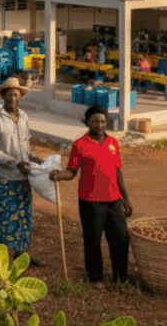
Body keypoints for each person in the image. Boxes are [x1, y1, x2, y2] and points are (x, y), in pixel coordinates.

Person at [50, 105, 133, 288]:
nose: (100, 125)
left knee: (121, 238)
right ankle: (95, 276)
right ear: (87, 122)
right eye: (95, 121)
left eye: (103, 121)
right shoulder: (79, 145)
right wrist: (58, 175)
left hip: (114, 199)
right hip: (91, 201)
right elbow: (71, 172)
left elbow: (118, 171)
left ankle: (120, 276)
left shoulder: (113, 143)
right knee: (93, 239)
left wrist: (126, 198)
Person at [0, 77, 45, 266]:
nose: (12, 97)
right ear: (3, 96)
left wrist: (36, 158)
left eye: (16, 94)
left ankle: (22, 253)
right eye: (9, 94)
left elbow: (25, 145)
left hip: (24, 175)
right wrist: (15, 162)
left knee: (24, 215)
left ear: (20, 97)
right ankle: (1, 254)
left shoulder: (24, 117)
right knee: (5, 215)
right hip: (6, 176)